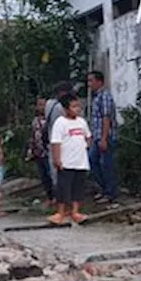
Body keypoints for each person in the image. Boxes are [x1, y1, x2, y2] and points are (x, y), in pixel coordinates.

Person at [49, 93, 91, 225]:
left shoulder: (82, 122)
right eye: (74, 106)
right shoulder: (60, 123)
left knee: (77, 188)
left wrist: (86, 145)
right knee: (63, 188)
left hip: (80, 161)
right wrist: (57, 159)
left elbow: (88, 137)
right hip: (66, 161)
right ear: (66, 109)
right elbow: (56, 142)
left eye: (78, 106)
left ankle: (75, 211)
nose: (77, 109)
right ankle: (60, 212)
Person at [87, 70, 120, 202]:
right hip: (96, 136)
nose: (89, 84)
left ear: (99, 81)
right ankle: (104, 188)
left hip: (105, 136)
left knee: (106, 164)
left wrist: (104, 138)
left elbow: (106, 119)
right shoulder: (96, 97)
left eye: (91, 80)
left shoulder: (105, 96)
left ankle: (110, 192)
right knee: (92, 160)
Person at [27, 97, 54, 208]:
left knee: (51, 174)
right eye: (39, 105)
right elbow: (33, 136)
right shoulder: (35, 121)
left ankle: (56, 197)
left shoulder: (50, 120)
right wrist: (30, 150)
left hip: (48, 152)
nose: (41, 108)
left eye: (44, 105)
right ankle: (50, 197)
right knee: (44, 177)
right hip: (38, 152)